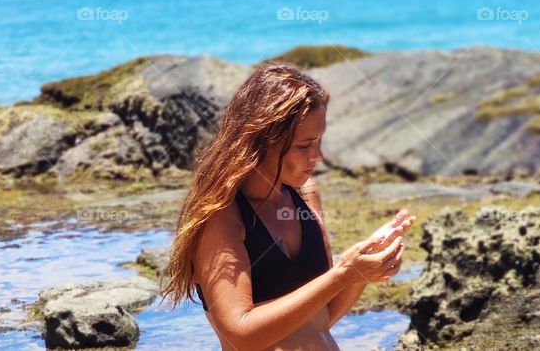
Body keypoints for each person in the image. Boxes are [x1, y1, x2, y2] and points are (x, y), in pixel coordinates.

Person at [161, 62, 417, 350]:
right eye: (304, 145)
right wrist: (343, 273)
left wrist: (361, 272)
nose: (318, 156)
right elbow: (241, 334)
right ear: (260, 141)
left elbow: (321, 318)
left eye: (319, 141)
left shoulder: (305, 194)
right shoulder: (221, 216)